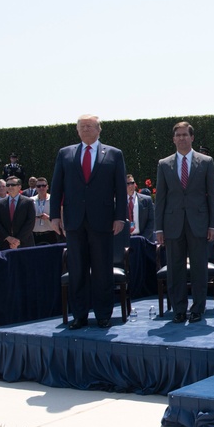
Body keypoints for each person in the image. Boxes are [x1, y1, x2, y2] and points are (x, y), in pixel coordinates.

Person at [50, 114, 127, 330]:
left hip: (103, 221)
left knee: (103, 270)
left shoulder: (114, 154)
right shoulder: (65, 154)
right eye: (82, 126)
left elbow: (120, 189)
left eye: (90, 126)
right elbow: (56, 188)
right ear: (77, 130)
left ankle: (103, 315)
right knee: (77, 271)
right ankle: (80, 315)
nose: (86, 129)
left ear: (99, 129)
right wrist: (55, 216)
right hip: (74, 222)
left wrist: (120, 216)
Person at [155, 121, 214, 324]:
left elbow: (211, 197)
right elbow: (161, 199)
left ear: (192, 138)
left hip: (198, 223)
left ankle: (198, 308)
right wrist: (159, 229)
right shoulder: (164, 164)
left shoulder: (206, 162)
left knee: (199, 268)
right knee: (175, 268)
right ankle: (179, 310)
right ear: (173, 139)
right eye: (178, 135)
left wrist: (213, 225)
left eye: (185, 135)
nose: (181, 138)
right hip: (172, 225)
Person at [0, 176, 35, 249]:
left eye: (13, 185)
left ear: (19, 187)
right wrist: (8, 238)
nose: (10, 187)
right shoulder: (0, 203)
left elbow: (30, 222)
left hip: (24, 242)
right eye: (8, 185)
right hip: (6, 243)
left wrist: (17, 240)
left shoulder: (28, 202)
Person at [125, 174, 155, 241]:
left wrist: (143, 239)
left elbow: (151, 221)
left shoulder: (147, 200)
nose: (130, 186)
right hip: (125, 241)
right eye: (127, 184)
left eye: (132, 183)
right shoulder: (119, 202)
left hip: (144, 240)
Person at [31, 178, 58, 245]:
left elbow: (59, 216)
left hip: (51, 234)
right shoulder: (30, 201)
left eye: (43, 185)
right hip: (35, 235)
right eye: (39, 186)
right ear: (36, 188)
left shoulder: (53, 200)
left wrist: (48, 217)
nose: (41, 188)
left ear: (47, 187)